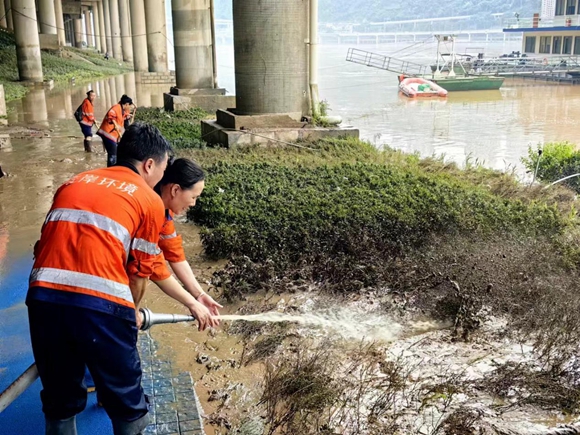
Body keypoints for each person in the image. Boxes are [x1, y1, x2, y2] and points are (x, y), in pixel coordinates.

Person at [26, 123, 219, 435]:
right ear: (149, 164)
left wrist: (196, 296)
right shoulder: (148, 200)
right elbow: (141, 272)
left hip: (42, 298)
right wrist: (130, 316)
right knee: (128, 406)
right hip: (100, 308)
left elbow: (45, 247)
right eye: (164, 166)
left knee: (60, 401)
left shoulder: (73, 182)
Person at [152, 158, 222, 315]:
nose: (193, 204)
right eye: (194, 197)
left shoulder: (165, 212)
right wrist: (191, 303)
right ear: (175, 190)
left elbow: (174, 254)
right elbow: (153, 267)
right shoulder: (149, 211)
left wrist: (200, 295)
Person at [97, 95, 133, 167]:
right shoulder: (116, 107)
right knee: (113, 154)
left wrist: (127, 115)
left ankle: (115, 167)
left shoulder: (121, 109)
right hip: (108, 134)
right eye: (129, 106)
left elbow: (121, 116)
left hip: (113, 134)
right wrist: (114, 122)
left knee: (117, 152)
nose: (129, 107)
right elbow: (111, 114)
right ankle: (111, 170)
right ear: (126, 104)